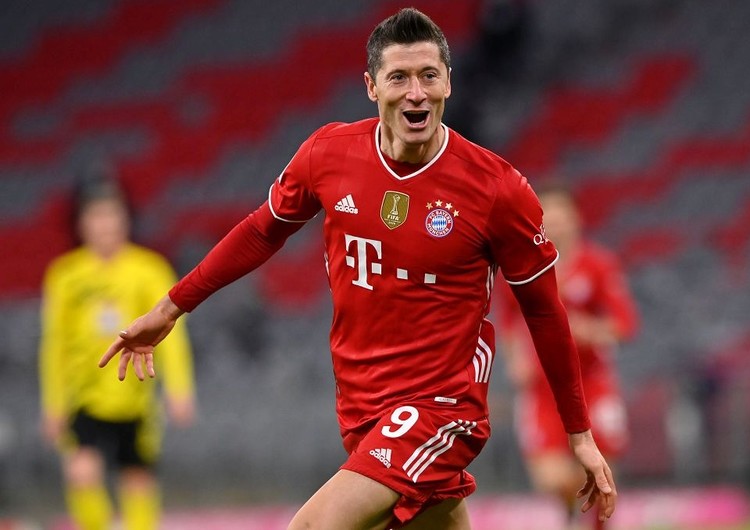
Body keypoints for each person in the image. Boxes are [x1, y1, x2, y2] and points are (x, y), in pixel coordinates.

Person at [99, 8, 616, 530]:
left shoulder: (497, 190)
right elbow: (260, 231)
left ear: (448, 83)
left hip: (441, 407)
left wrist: (579, 435)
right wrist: (171, 308)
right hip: (362, 403)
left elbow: (545, 313)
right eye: (399, 77)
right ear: (372, 86)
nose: (416, 93)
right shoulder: (329, 155)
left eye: (428, 76)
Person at [40, 175, 196, 530]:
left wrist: (179, 389)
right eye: (96, 216)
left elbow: (172, 333)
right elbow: (54, 344)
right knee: (81, 472)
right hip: (84, 395)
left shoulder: (149, 269)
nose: (105, 224)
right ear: (82, 224)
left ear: (126, 219)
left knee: (137, 478)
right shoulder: (65, 276)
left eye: (112, 214)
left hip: (136, 395)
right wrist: (53, 403)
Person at [498, 182, 638, 530]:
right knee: (550, 477)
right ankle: (573, 514)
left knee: (603, 473)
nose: (556, 224)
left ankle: (588, 522)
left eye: (561, 216)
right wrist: (515, 358)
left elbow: (624, 323)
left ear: (576, 218)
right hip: (543, 387)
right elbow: (509, 318)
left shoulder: (598, 265)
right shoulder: (522, 266)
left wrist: (587, 330)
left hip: (592, 383)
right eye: (548, 217)